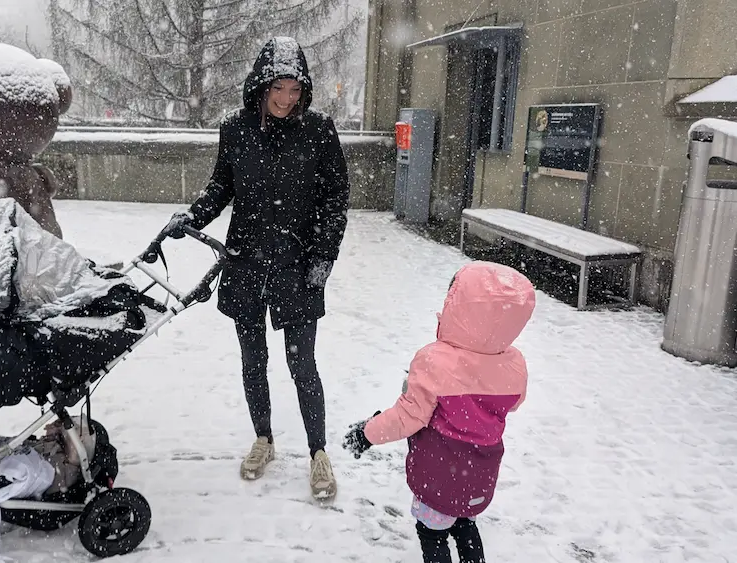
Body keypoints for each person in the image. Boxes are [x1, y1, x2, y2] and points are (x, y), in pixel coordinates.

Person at [162, 36, 350, 499]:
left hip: (297, 265)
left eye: (295, 90)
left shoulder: (319, 131)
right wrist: (194, 216)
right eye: (278, 89)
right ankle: (263, 440)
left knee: (302, 364)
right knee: (253, 362)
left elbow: (335, 199)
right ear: (262, 86)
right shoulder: (237, 129)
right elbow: (221, 187)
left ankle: (318, 454)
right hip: (246, 263)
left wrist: (324, 255)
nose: (287, 100)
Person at [342, 261, 536, 562]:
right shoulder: (513, 364)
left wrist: (367, 433)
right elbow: (514, 403)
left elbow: (408, 417)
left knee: (432, 533)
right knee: (464, 523)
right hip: (480, 472)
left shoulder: (436, 361)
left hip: (440, 471)